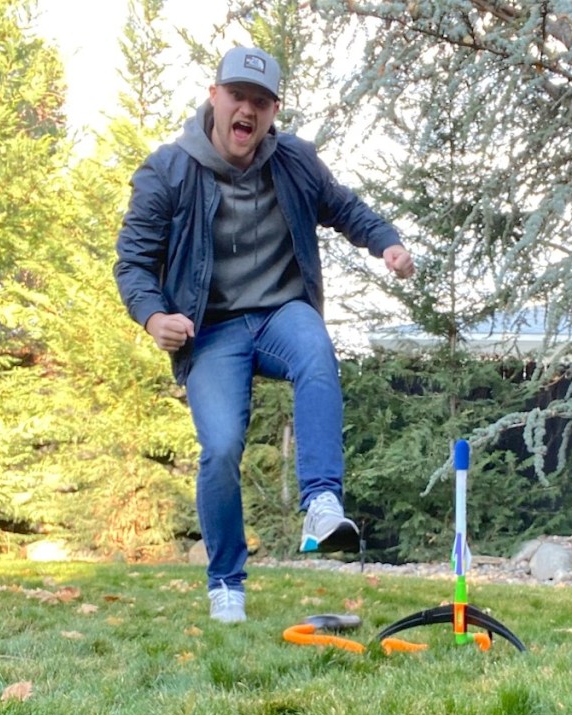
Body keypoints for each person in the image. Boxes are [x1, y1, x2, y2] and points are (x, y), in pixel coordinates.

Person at [114, 46, 415, 624]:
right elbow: (132, 261)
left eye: (261, 101)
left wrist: (388, 243)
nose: (247, 111)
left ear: (274, 110)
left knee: (316, 351)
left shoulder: (295, 161)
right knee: (221, 447)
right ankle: (226, 583)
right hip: (213, 330)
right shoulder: (168, 171)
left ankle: (322, 506)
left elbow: (347, 209)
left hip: (282, 313)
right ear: (215, 97)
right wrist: (154, 316)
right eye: (237, 97)